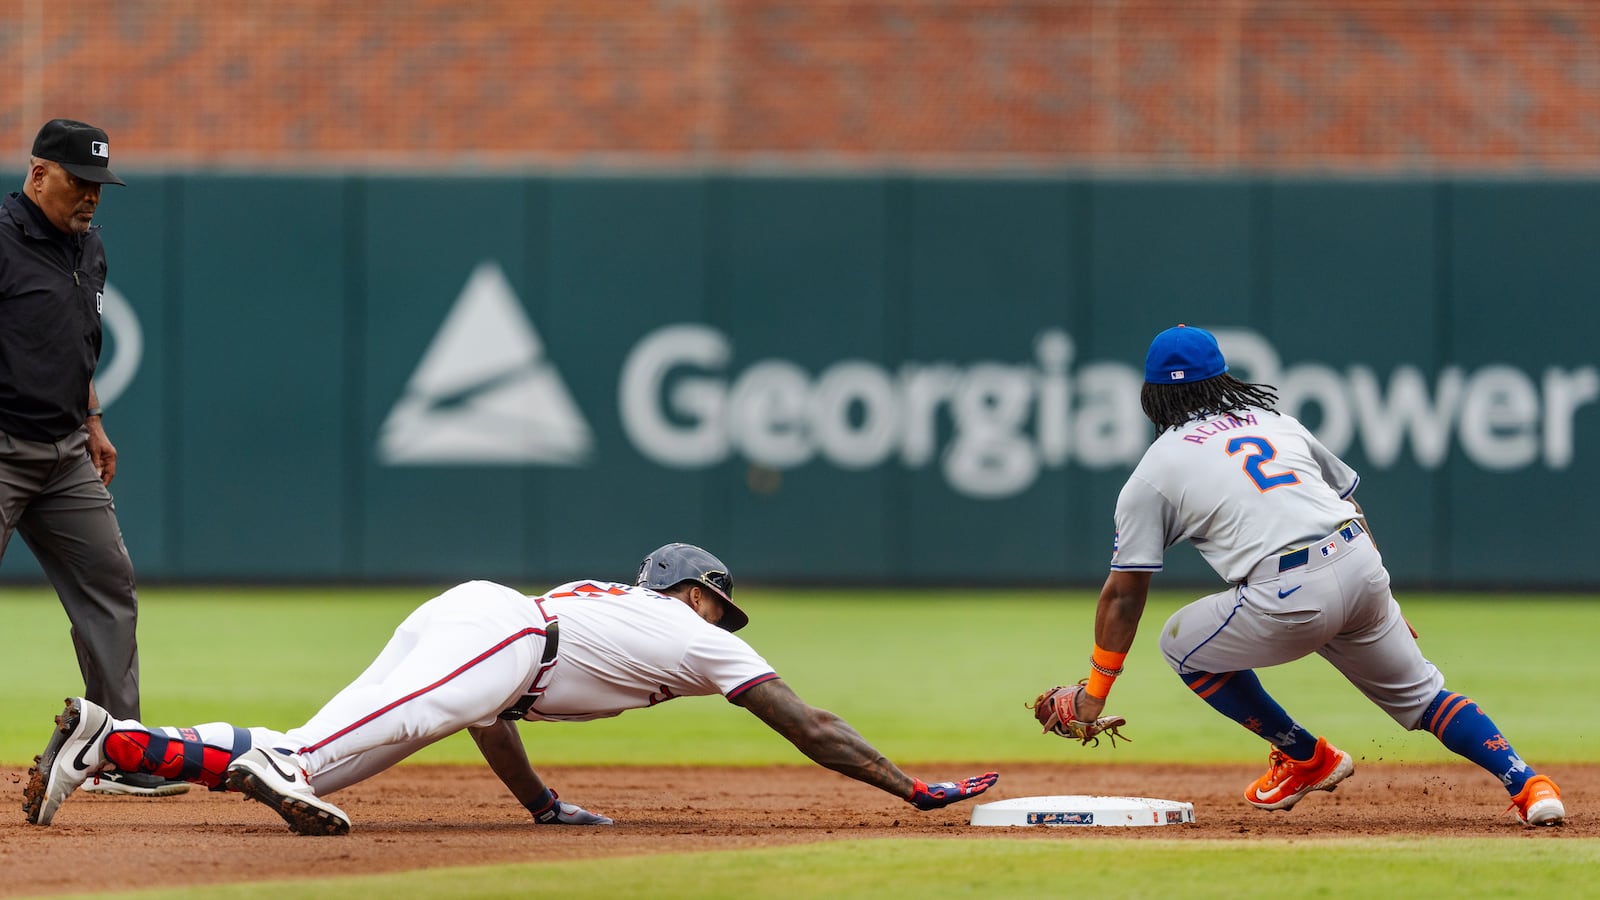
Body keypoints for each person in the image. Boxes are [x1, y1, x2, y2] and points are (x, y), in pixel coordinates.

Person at [25, 542, 998, 833]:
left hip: (494, 640)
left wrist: (540, 805)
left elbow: (491, 713)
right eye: (721, 606)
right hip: (505, 632)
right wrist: (909, 788)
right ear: (692, 592)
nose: (724, 623)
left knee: (303, 750)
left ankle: (107, 741)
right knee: (307, 760)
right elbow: (810, 724)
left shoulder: (628, 616)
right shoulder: (685, 632)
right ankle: (275, 768)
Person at [1054, 325, 1564, 827]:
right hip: (1360, 563)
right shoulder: (1277, 422)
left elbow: (1124, 595)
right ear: (1224, 379)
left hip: (1289, 595)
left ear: (1151, 396)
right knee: (1426, 698)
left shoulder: (1154, 470)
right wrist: (1387, 602)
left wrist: (1096, 693)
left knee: (1178, 643)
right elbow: (1348, 504)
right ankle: (1528, 784)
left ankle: (1305, 756)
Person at [0, 118, 185, 798]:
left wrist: (94, 419)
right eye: (80, 182)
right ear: (39, 173)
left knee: (110, 587)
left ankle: (119, 752)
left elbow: (72, 345)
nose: (92, 199)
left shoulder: (89, 247)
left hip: (64, 452)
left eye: (101, 187)